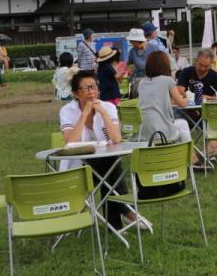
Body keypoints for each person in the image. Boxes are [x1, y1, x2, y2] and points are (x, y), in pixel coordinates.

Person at [58, 71, 151, 232]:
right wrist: (84, 114)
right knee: (111, 169)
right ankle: (125, 212)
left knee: (110, 166)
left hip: (104, 164)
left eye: (94, 87)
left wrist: (103, 113)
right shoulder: (67, 111)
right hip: (79, 168)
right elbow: (70, 142)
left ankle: (116, 223)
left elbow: (116, 138)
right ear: (75, 93)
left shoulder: (108, 107)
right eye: (86, 88)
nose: (91, 92)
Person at [136, 51, 192, 144]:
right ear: (165, 65)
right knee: (183, 124)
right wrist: (187, 99)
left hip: (142, 131)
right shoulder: (168, 80)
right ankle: (189, 152)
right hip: (161, 130)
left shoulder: (142, 83)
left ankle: (176, 151)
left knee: (178, 129)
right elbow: (181, 103)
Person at [126, 28, 148, 98]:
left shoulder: (153, 48)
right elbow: (128, 64)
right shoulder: (132, 51)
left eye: (131, 41)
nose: (130, 42)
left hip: (151, 80)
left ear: (137, 41)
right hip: (137, 81)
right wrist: (130, 73)